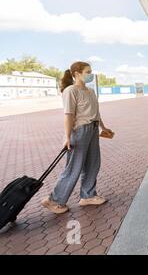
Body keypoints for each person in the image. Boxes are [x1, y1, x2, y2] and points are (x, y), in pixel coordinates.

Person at [41, 61, 113, 214]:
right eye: (88, 72)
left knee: (93, 164)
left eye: (91, 71)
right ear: (76, 74)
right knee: (74, 167)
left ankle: (88, 196)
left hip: (93, 130)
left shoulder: (90, 91)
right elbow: (69, 116)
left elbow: (96, 113)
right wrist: (67, 137)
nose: (90, 74)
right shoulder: (70, 91)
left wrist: (103, 127)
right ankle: (54, 200)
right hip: (80, 131)